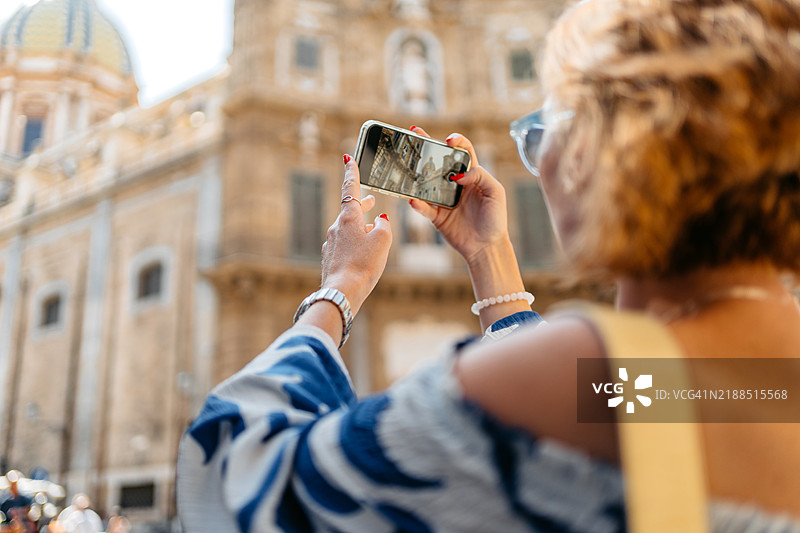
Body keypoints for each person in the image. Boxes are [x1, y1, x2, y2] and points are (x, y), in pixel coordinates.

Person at [177, 0, 800, 530]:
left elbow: (228, 482)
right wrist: (490, 257)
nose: (535, 157)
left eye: (543, 127)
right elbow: (619, 401)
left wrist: (337, 292)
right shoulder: (755, 377)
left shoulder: (581, 379)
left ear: (600, 155)